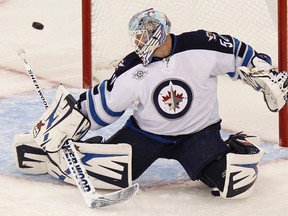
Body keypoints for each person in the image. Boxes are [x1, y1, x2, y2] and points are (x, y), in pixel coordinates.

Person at [27, 8, 287, 199]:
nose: (138, 42)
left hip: (198, 134)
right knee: (106, 173)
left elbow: (239, 53)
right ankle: (55, 154)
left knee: (232, 182)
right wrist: (72, 118)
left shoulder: (200, 45)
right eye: (137, 37)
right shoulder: (133, 67)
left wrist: (261, 71)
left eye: (143, 36)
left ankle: (235, 147)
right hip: (146, 136)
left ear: (159, 33)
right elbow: (106, 103)